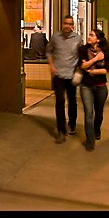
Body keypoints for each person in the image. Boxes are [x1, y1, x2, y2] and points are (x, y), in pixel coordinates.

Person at [46, 15, 83, 143]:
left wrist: (79, 70)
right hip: (58, 76)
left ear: (73, 25)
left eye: (69, 24)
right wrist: (51, 66)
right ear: (62, 24)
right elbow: (49, 51)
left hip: (72, 75)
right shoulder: (55, 37)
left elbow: (81, 55)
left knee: (72, 101)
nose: (67, 26)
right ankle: (61, 131)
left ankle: (72, 124)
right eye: (65, 23)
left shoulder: (77, 38)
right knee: (59, 102)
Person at [78, 28, 109, 152]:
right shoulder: (83, 49)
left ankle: (97, 129)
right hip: (86, 85)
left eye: (92, 35)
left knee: (99, 113)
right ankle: (90, 140)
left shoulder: (106, 51)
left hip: (101, 86)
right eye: (89, 35)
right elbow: (82, 66)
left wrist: (92, 71)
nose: (89, 37)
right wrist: (95, 59)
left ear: (98, 39)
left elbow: (105, 70)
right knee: (88, 113)